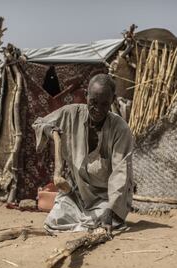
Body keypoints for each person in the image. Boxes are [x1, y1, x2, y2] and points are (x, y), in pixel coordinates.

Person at [32, 74, 133, 233]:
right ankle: (84, 223)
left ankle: (101, 218)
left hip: (105, 198)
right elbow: (39, 123)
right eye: (93, 102)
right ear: (86, 95)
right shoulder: (70, 114)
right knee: (54, 221)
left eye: (104, 104)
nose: (98, 109)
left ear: (112, 101)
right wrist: (48, 130)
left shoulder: (120, 129)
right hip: (75, 194)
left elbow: (121, 173)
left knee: (101, 223)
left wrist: (111, 209)